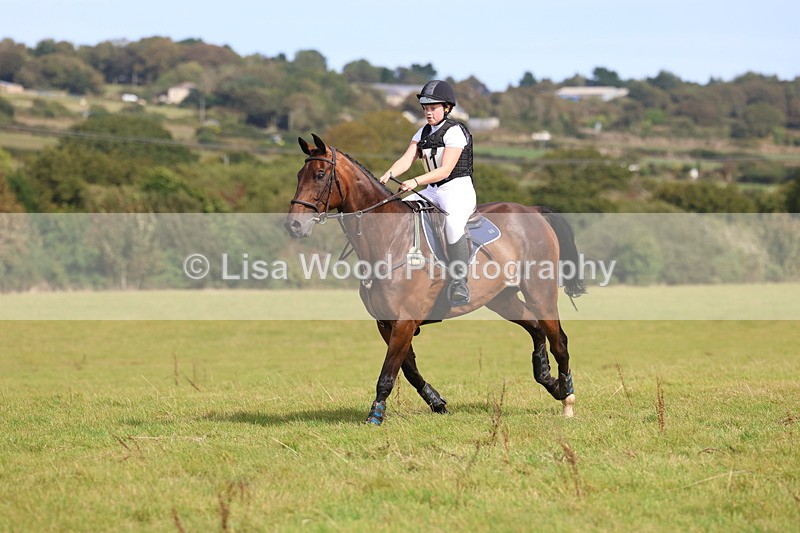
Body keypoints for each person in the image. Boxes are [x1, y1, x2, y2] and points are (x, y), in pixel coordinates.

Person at [379, 80, 476, 306]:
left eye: (433, 108)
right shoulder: (422, 131)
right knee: (399, 210)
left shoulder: (455, 132)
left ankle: (460, 282)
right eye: (425, 108)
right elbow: (407, 159)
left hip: (457, 190)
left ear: (447, 108)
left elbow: (445, 170)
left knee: (452, 226)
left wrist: (414, 180)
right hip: (433, 190)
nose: (428, 113)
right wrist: (388, 173)